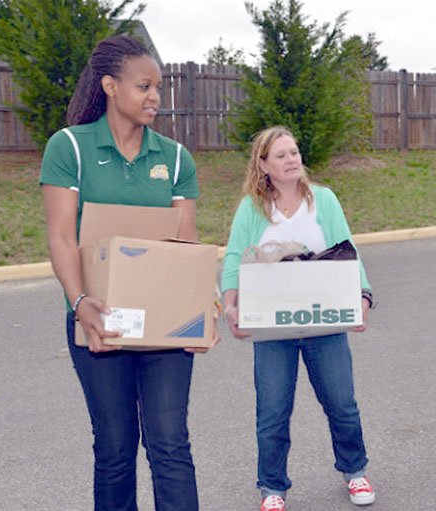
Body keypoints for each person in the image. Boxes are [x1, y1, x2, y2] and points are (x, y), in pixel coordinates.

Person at [40, 35, 217, 511]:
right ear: (110, 86)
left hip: (165, 327)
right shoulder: (70, 149)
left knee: (170, 444)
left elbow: (184, 245)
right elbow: (60, 237)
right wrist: (81, 305)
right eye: (144, 86)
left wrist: (203, 312)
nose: (155, 96)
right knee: (115, 448)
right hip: (98, 320)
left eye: (158, 87)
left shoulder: (176, 158)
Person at [221, 126, 376, 511]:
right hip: (273, 326)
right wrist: (230, 303)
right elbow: (234, 256)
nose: (291, 160)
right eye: (281, 155)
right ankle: (272, 488)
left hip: (323, 320)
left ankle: (355, 471)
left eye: (294, 152)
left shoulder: (323, 200)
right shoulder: (252, 208)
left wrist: (363, 295)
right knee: (273, 409)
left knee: (341, 403)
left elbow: (347, 249)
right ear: (263, 165)